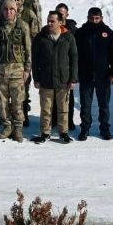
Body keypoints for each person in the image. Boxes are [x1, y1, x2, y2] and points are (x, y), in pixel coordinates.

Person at [31, 11, 78, 144]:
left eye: (53, 21)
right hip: (46, 78)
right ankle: (45, 133)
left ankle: (63, 133)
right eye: (48, 20)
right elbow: (35, 60)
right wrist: (36, 78)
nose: (49, 23)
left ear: (60, 22)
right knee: (46, 109)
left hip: (63, 80)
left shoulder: (68, 37)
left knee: (63, 109)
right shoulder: (41, 37)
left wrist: (73, 78)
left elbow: (74, 58)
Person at [0, 0, 31, 143]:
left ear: (16, 10)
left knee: (18, 102)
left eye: (11, 9)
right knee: (2, 102)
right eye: (5, 9)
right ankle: (7, 126)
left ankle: (18, 128)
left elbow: (28, 49)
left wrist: (27, 69)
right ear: (2, 11)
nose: (8, 12)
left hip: (17, 72)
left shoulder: (23, 26)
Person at [75, 7, 113, 141]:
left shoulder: (107, 33)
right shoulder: (81, 33)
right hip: (86, 75)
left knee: (103, 104)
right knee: (85, 105)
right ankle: (85, 129)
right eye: (92, 18)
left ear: (101, 18)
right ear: (88, 18)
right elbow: (75, 55)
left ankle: (104, 128)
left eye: (97, 18)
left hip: (103, 75)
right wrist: (75, 74)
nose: (94, 21)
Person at [54, 2, 78, 130]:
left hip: (67, 69)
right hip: (54, 68)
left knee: (69, 97)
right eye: (57, 13)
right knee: (53, 96)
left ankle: (69, 121)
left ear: (67, 15)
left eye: (62, 14)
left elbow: (76, 53)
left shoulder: (73, 30)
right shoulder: (51, 26)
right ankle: (54, 120)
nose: (59, 16)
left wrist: (75, 75)